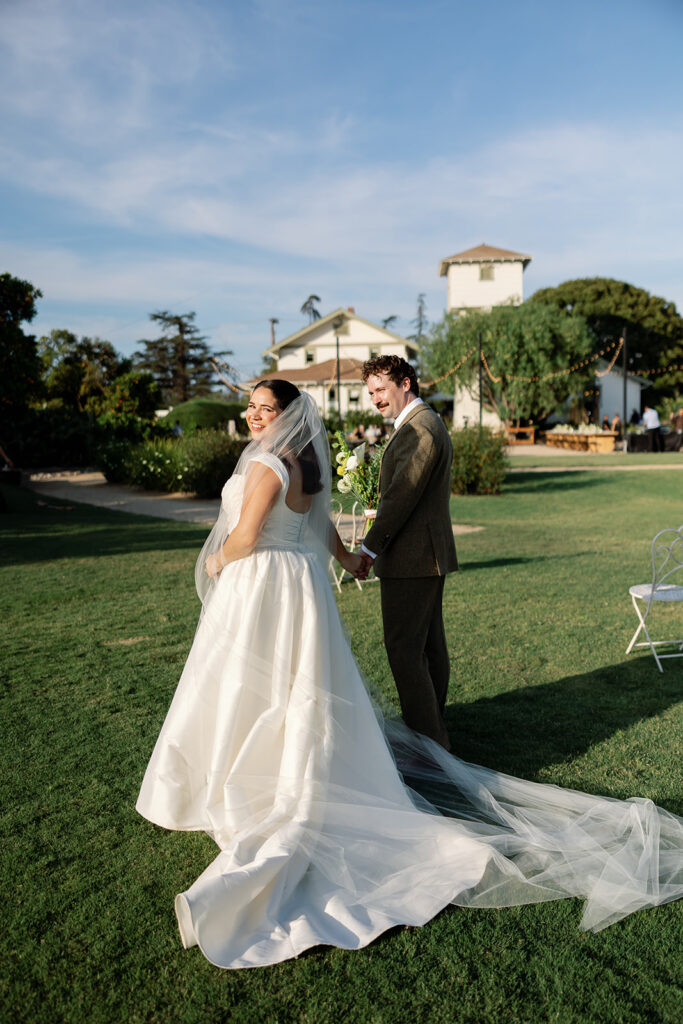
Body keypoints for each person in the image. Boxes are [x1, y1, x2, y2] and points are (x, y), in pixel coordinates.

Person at [137, 379, 683, 971]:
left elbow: (244, 538)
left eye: (263, 407)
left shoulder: (270, 462)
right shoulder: (307, 460)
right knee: (298, 692)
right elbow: (318, 525)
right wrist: (347, 560)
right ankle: (285, 765)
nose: (252, 414)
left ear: (287, 414)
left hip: (261, 588)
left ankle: (243, 782)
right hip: (301, 592)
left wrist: (215, 561)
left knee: (254, 686)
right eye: (252, 405)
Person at [358, 356, 457, 750]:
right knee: (427, 647)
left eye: (381, 389)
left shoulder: (422, 429)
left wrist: (368, 547)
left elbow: (400, 496)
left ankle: (429, 746)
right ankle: (432, 732)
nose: (376, 400)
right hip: (422, 554)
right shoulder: (418, 425)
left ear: (406, 383)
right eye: (370, 393)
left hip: (414, 557)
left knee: (404, 650)